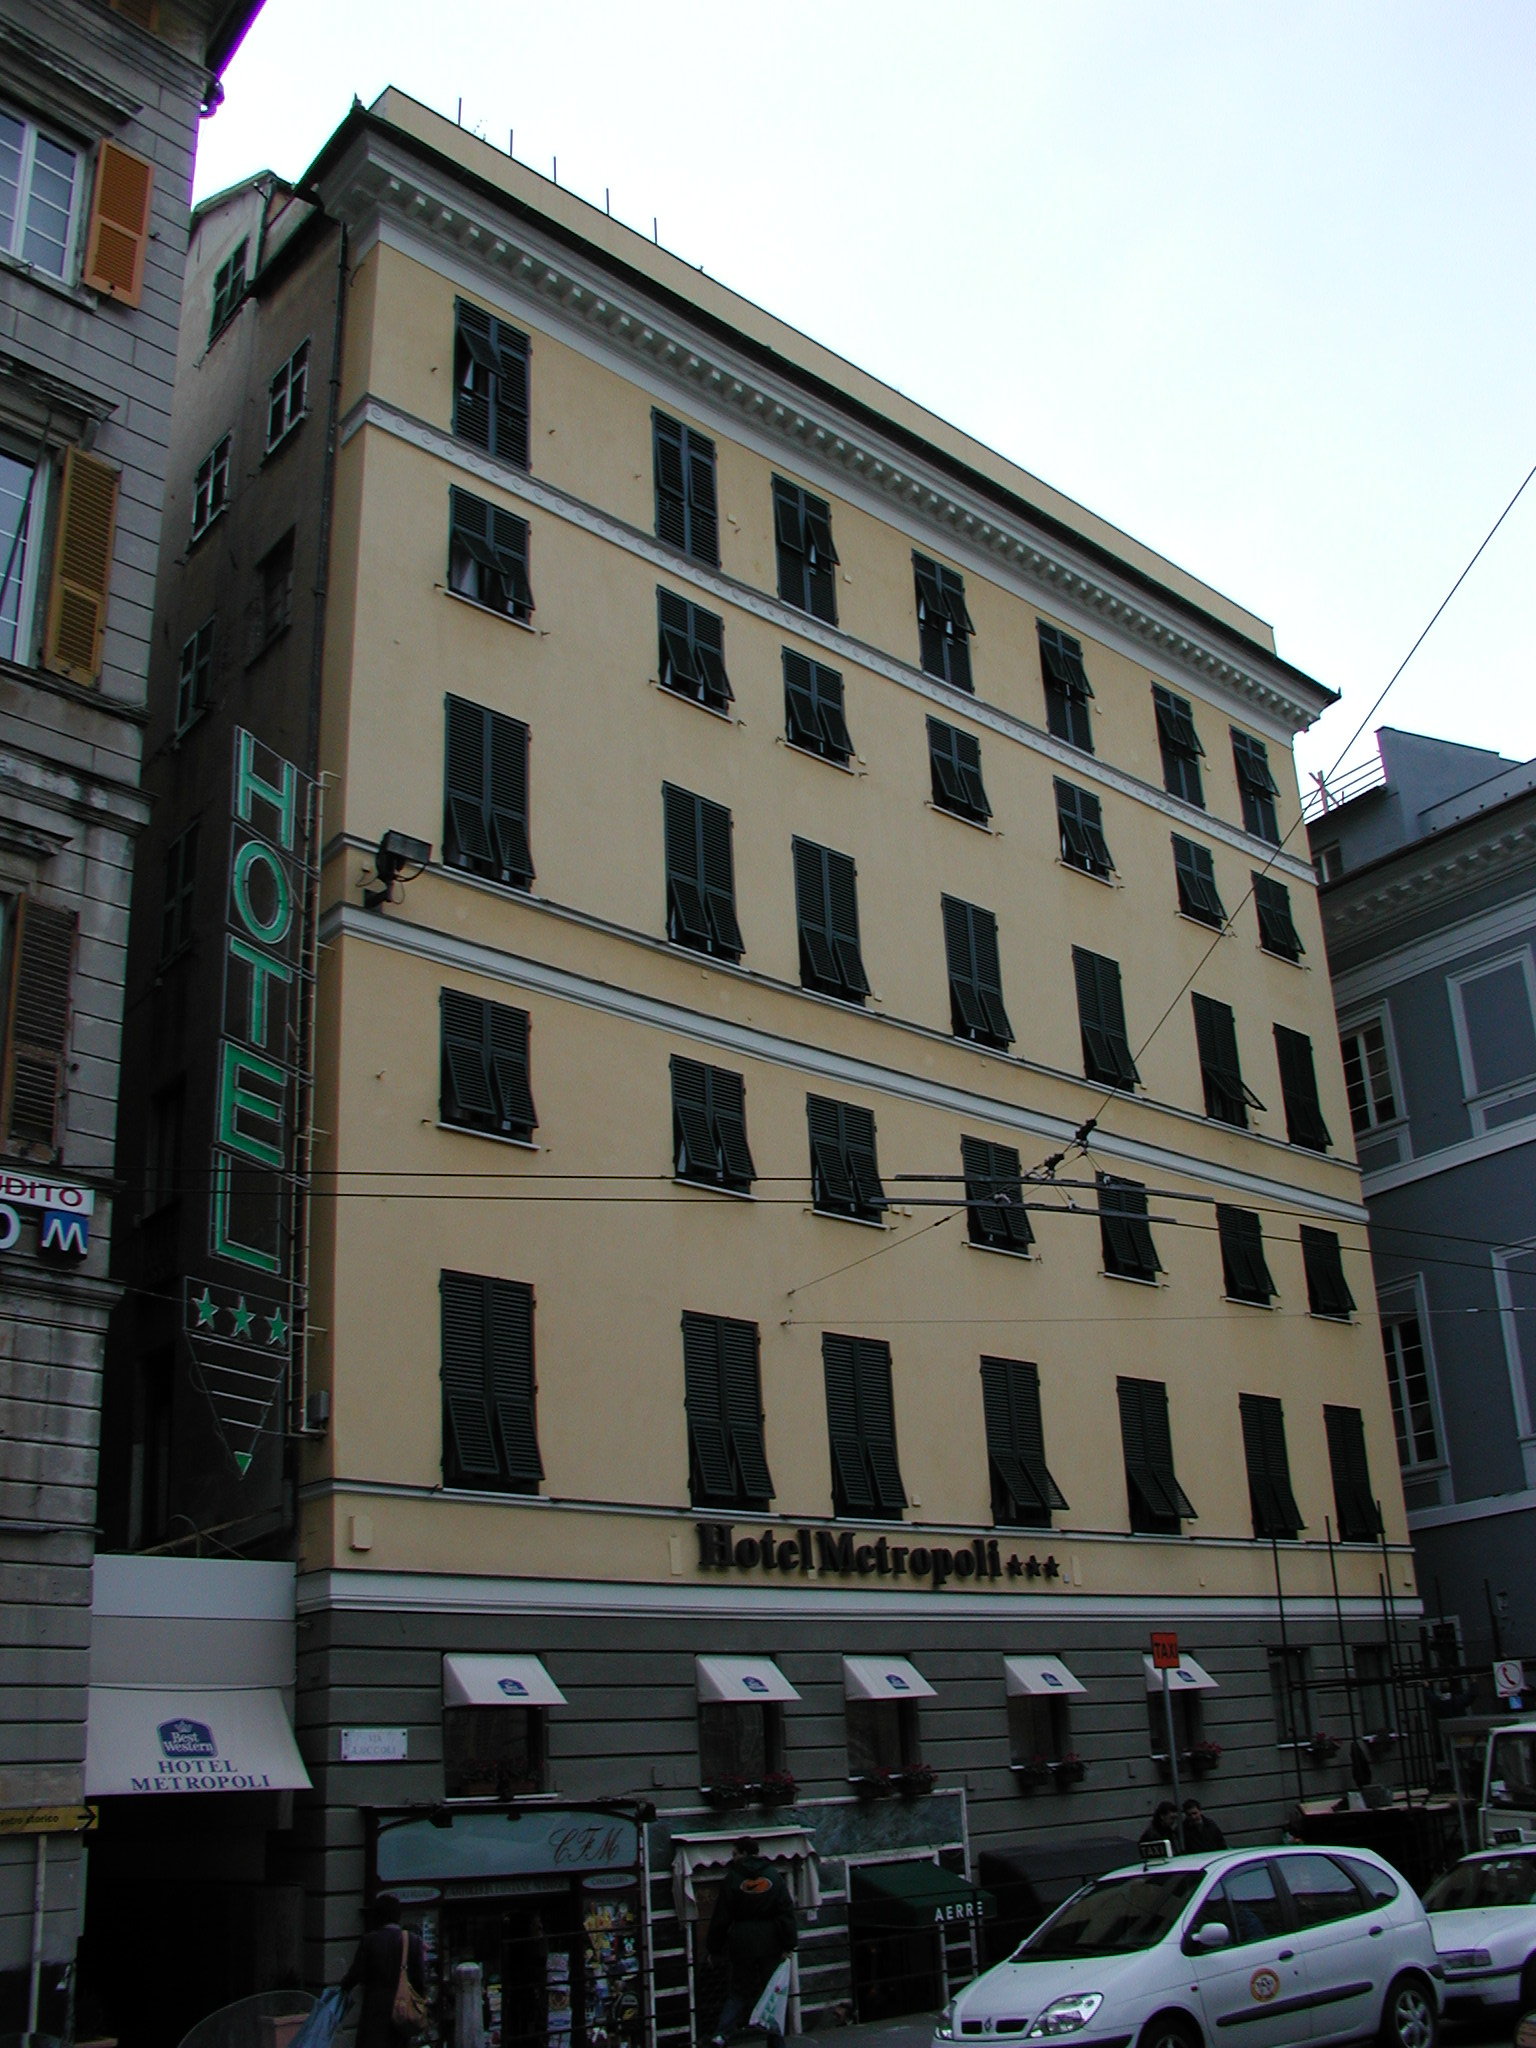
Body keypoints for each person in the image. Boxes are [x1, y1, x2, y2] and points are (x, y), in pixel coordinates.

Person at [707, 1836, 798, 2048]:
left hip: (742, 1940)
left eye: (735, 1854)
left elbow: (721, 1917)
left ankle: (721, 2034)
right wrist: (788, 1944)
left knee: (738, 1991)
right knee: (772, 1991)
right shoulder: (774, 1876)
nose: (733, 1858)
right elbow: (785, 1912)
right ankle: (775, 2040)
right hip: (770, 1941)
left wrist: (714, 1948)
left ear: (744, 1853)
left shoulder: (732, 1878)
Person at [341, 1892, 428, 2048]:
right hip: (401, 2012)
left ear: (378, 1916)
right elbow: (419, 1980)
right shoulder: (412, 1941)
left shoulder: (370, 1940)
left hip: (374, 2012)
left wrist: (343, 1988)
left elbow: (356, 1974)